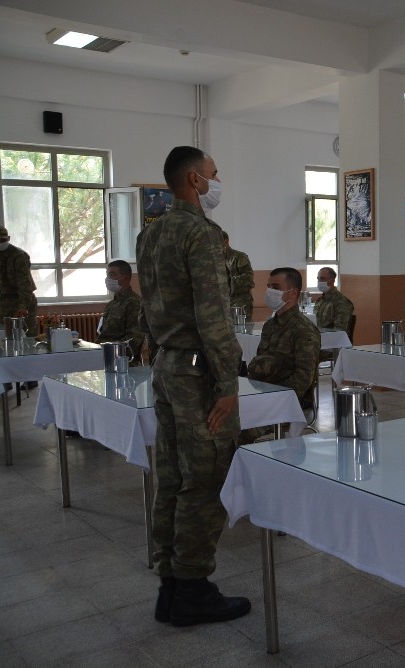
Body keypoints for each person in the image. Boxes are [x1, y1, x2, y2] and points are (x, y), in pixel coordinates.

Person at [135, 145, 250, 627]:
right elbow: (213, 315)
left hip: (167, 367)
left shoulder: (151, 234)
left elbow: (151, 305)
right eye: (213, 174)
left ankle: (171, 584)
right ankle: (194, 589)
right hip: (198, 373)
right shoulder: (200, 234)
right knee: (204, 478)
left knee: (173, 476)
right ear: (194, 181)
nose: (217, 181)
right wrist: (227, 381)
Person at [242, 268, 321, 442]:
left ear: (292, 293)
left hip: (286, 402)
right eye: (268, 286)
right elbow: (260, 365)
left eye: (276, 287)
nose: (269, 291)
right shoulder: (270, 325)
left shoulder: (304, 330)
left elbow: (303, 379)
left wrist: (273, 397)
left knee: (239, 430)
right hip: (263, 395)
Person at [97, 260, 144, 362]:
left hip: (122, 362)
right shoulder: (111, 304)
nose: (108, 279)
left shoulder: (134, 303)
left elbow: (133, 340)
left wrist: (111, 354)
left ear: (125, 278)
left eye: (112, 274)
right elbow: (103, 334)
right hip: (104, 357)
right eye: (107, 275)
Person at [0, 225, 38, 336]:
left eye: (2, 240)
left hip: (22, 300)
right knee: (3, 335)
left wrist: (23, 307)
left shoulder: (18, 255)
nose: (0, 242)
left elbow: (25, 285)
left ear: (8, 238)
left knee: (28, 336)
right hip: (4, 302)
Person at [221, 231, 254, 316]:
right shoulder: (214, 260)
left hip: (239, 301)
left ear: (225, 241)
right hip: (221, 301)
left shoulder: (239, 256)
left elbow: (248, 277)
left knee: (241, 327)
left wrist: (227, 282)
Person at [314, 266, 354, 332]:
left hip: (333, 339)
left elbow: (339, 329)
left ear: (332, 280)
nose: (319, 282)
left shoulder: (341, 302)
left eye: (322, 279)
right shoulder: (319, 300)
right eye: (318, 279)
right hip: (319, 338)